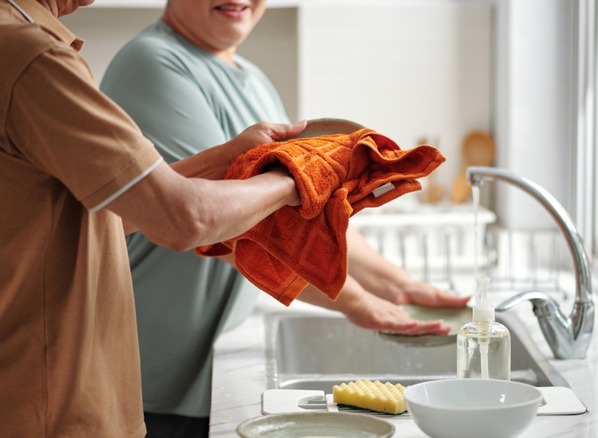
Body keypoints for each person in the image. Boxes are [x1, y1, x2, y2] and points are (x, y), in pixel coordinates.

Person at [99, 0, 470, 436]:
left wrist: (397, 282)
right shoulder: (153, 65)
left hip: (210, 355)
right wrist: (357, 301)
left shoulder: (252, 79)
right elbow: (223, 224)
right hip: (159, 371)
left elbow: (303, 215)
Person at [0, 0, 320, 436]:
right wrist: (296, 179)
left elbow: (103, 215)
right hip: (53, 412)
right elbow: (182, 219)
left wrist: (229, 158)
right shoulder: (29, 54)